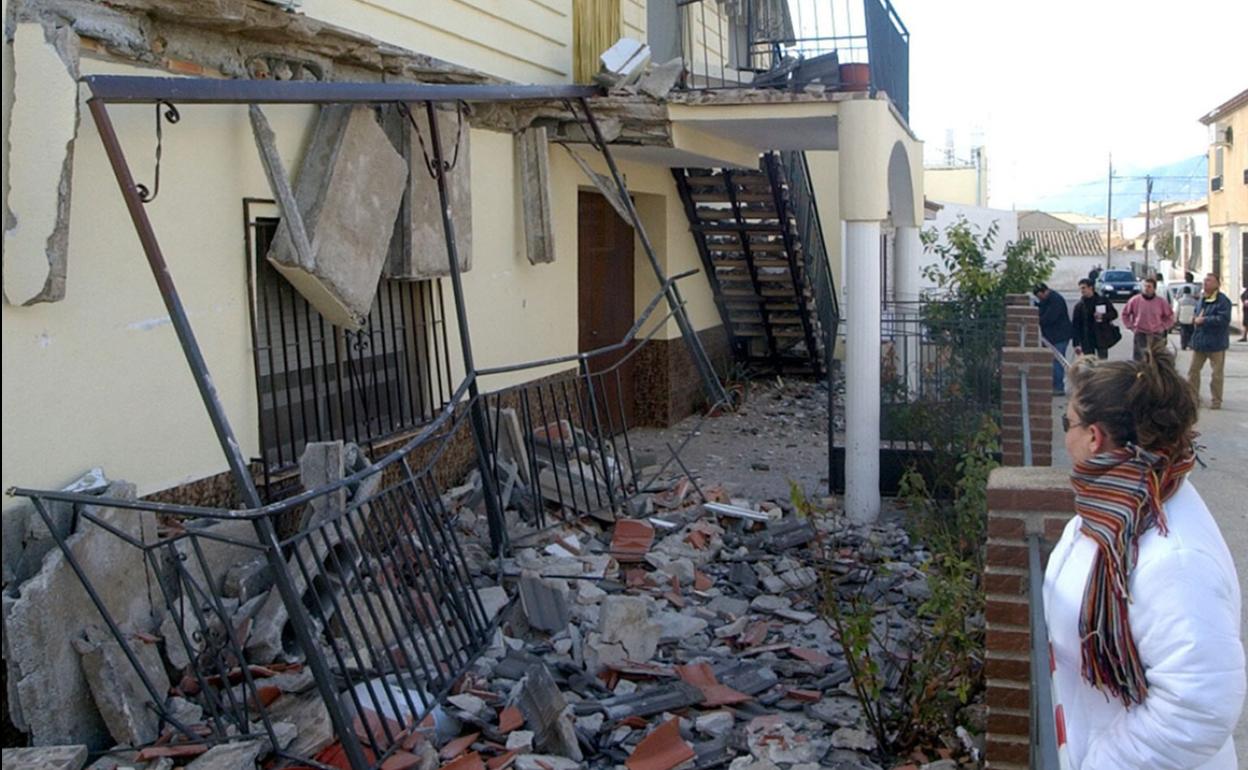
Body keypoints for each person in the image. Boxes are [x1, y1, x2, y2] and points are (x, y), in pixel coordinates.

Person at [1046, 350, 1245, 769]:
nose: (1065, 436)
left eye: (1068, 423)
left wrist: (1103, 762)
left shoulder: (1176, 558)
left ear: (1095, 437)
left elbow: (1198, 709)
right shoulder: (1120, 507)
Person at [1187, 273, 1231, 410]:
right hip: (1200, 342)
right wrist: (1194, 319)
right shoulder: (1202, 299)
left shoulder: (1223, 301)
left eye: (1209, 281)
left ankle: (1216, 400)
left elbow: (1223, 320)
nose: (1206, 283)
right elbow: (1197, 314)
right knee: (1193, 371)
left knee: (1216, 374)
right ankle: (1193, 399)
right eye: (1205, 280)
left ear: (1217, 284)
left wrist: (1205, 320)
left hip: (1216, 343)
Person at [1033, 283, 1074, 392]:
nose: (1039, 298)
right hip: (1052, 336)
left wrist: (1037, 319)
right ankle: (1054, 385)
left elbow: (1049, 318)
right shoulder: (1047, 300)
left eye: (1039, 295)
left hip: (1059, 335)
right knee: (1053, 361)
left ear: (1045, 291)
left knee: (1057, 361)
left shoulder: (1056, 300)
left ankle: (1058, 387)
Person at [1121, 277, 1173, 361]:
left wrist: (1163, 327)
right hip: (1140, 334)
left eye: (1149, 287)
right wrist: (1130, 326)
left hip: (1156, 335)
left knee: (1157, 360)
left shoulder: (1161, 302)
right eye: (1144, 286)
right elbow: (1125, 314)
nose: (1146, 289)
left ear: (1154, 289)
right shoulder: (1134, 300)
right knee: (1140, 360)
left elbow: (1170, 317)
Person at [1070, 278, 1119, 359]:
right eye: (1080, 288)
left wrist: (1103, 316)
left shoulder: (1102, 300)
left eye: (1083, 288)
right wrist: (1075, 344)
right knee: (1089, 363)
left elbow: (1114, 314)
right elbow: (1075, 325)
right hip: (1087, 339)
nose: (1082, 291)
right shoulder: (1079, 306)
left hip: (1101, 336)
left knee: (1102, 362)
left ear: (1091, 288)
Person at [1175, 285, 1198, 351]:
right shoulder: (1194, 301)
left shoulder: (1180, 301)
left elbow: (1177, 311)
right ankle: (1191, 344)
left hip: (1182, 319)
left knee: (1183, 332)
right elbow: (1196, 311)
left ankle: (1183, 345)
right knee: (1191, 332)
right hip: (1191, 319)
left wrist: (1176, 318)